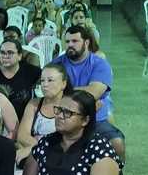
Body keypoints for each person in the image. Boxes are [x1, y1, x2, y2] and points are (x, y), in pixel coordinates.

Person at [52, 25, 124, 160]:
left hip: (94, 120)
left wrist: (64, 89)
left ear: (86, 42)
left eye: (75, 41)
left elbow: (93, 93)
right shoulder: (57, 64)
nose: (70, 45)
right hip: (64, 117)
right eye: (67, 42)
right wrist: (83, 91)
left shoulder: (99, 64)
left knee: (117, 143)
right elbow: (49, 89)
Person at [16, 63, 72, 166]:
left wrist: (36, 148)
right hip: (34, 157)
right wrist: (39, 148)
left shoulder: (70, 108)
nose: (45, 85)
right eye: (42, 80)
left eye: (50, 80)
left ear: (63, 84)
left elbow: (67, 141)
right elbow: (22, 135)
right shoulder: (34, 104)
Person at [0, 39, 41, 121]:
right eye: (2, 53)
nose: (5, 56)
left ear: (20, 56)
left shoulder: (31, 71)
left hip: (25, 119)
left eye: (10, 53)